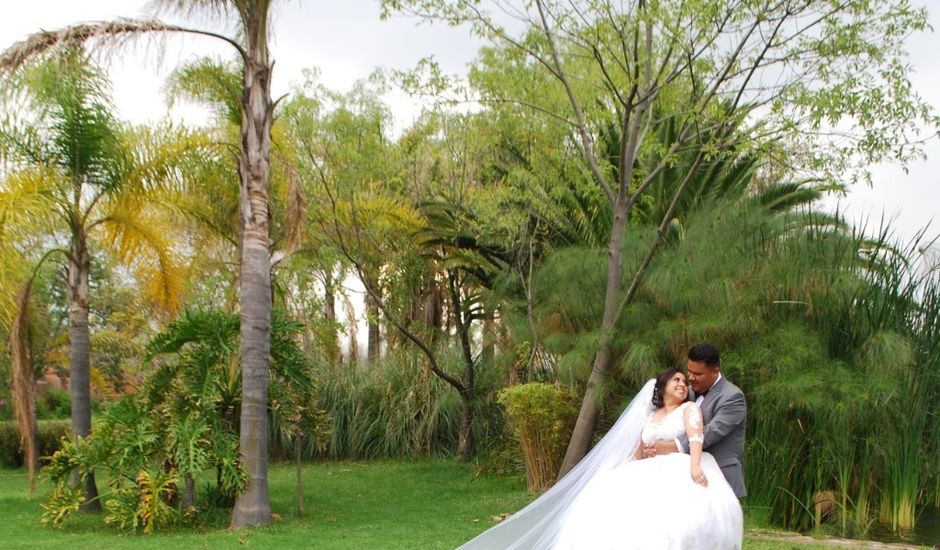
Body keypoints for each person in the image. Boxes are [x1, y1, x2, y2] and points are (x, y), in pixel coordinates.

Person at [457, 367, 743, 549]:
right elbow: (640, 447)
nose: (683, 384)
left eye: (685, 380)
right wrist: (628, 465)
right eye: (677, 380)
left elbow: (696, 439)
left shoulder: (689, 409)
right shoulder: (652, 415)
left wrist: (694, 466)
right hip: (648, 469)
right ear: (663, 386)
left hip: (678, 468)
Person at [644, 343, 747, 498]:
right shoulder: (686, 392)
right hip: (683, 476)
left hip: (719, 474)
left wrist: (669, 446)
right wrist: (652, 444)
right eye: (689, 371)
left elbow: (711, 432)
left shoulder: (733, 397)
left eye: (697, 374)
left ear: (715, 372)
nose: (690, 378)